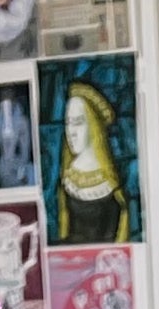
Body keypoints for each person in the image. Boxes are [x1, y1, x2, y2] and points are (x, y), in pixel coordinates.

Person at [54, 76, 133, 242]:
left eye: (78, 122)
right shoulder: (68, 176)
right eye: (68, 123)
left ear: (94, 125)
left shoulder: (110, 184)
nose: (71, 131)